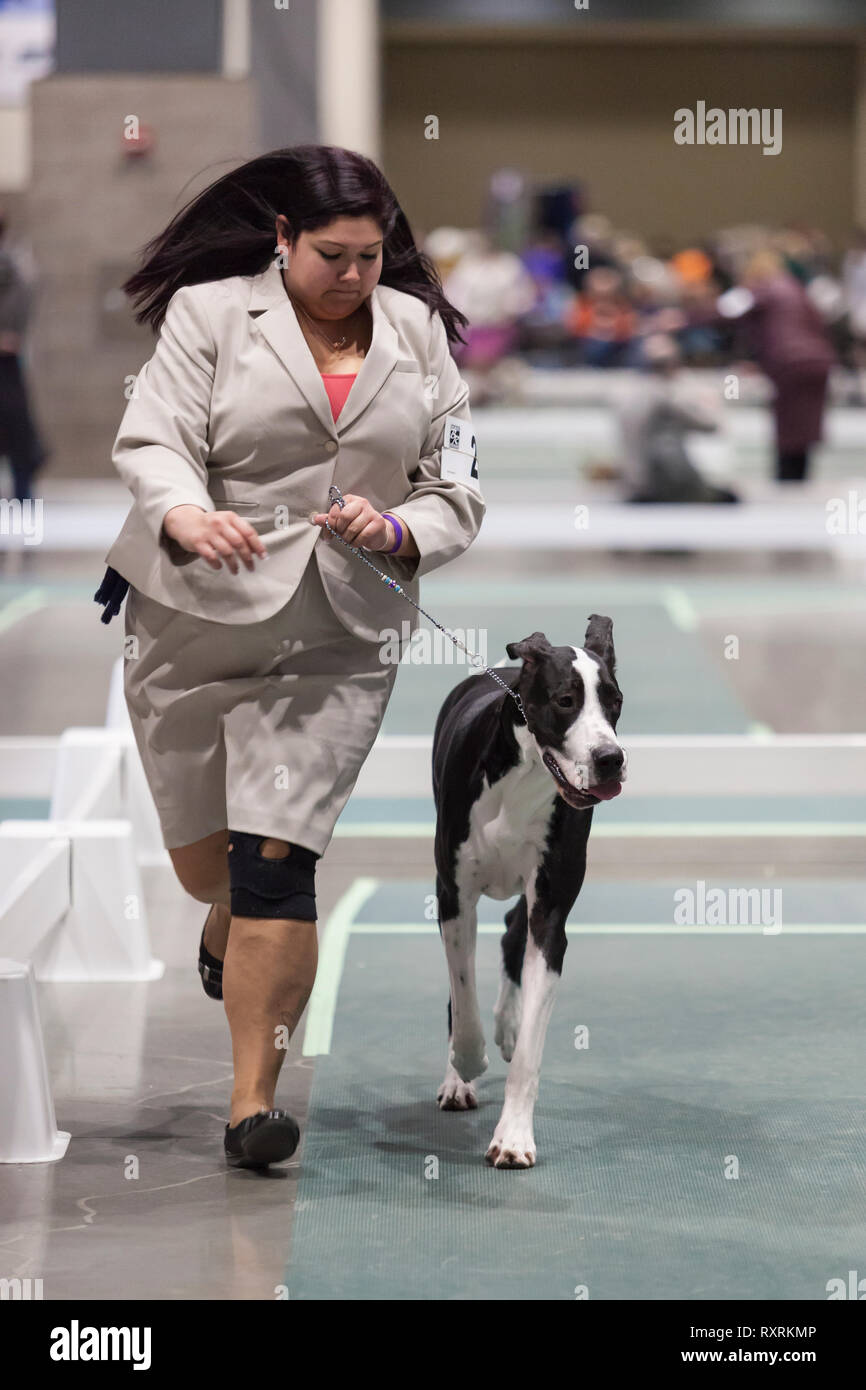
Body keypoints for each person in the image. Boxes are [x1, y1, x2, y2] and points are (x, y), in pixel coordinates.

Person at [96, 145, 485, 1170]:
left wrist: (398, 530)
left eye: (369, 256)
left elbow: (457, 489)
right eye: (330, 255)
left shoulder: (419, 339)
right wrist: (185, 509)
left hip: (340, 634)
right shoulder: (211, 314)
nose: (352, 276)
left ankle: (252, 1103)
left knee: (277, 860)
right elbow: (153, 439)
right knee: (204, 867)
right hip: (193, 613)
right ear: (281, 240)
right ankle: (221, 919)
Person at [718, 249, 835, 482]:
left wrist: (685, 318)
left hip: (789, 363)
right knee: (806, 425)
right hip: (818, 360)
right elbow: (818, 324)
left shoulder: (764, 289)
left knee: (788, 427)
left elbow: (726, 312)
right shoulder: (797, 289)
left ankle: (787, 483)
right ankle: (800, 480)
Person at [616, 333, 737, 504]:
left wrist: (675, 403)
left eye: (664, 361)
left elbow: (713, 424)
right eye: (655, 363)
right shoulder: (633, 392)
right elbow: (630, 434)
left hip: (690, 479)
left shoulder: (691, 387)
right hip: (647, 484)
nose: (661, 368)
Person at [0, 213, 46, 502]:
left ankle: (22, 516)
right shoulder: (17, 262)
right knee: (20, 447)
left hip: (8, 361)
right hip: (9, 360)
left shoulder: (14, 263)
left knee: (20, 447)